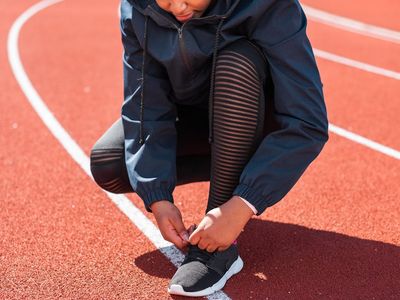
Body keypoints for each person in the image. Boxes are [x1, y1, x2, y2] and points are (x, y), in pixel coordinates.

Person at [90, 0, 329, 296]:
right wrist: (157, 196)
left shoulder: (270, 6)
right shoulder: (139, 8)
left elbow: (307, 121)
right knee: (111, 164)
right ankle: (234, 170)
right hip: (193, 115)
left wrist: (243, 203)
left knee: (237, 62)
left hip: (253, 110)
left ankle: (217, 250)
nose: (178, 7)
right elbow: (145, 108)